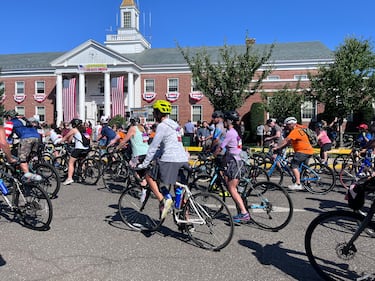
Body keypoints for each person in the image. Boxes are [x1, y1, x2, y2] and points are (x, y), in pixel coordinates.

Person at [137, 100, 188, 219]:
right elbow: (166, 146)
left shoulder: (162, 126)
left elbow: (153, 147)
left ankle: (164, 200)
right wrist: (155, 156)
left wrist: (144, 163)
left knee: (150, 176)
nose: (154, 115)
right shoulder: (175, 125)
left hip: (170, 160)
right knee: (180, 191)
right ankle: (187, 221)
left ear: (159, 113)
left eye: (154, 112)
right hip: (183, 159)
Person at [214, 110, 249, 223]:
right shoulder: (235, 132)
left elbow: (220, 148)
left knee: (232, 189)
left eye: (225, 120)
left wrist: (212, 156)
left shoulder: (230, 133)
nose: (223, 122)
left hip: (235, 163)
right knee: (229, 183)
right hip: (233, 162)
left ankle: (244, 213)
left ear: (228, 121)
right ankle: (241, 208)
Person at [273, 117, 314, 191]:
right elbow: (288, 142)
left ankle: (298, 184)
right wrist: (281, 147)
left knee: (294, 165)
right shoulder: (299, 129)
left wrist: (277, 147)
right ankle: (308, 184)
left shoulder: (295, 131)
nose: (287, 126)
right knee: (304, 168)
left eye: (288, 125)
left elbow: (286, 140)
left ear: (292, 124)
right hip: (308, 150)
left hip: (303, 151)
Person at [5, 110, 42, 181]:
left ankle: (28, 178)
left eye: (7, 117)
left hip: (26, 138)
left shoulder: (10, 122)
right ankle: (29, 170)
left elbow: (6, 135)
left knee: (22, 159)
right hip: (37, 137)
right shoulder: (23, 119)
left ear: (9, 117)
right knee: (28, 157)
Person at [60, 118, 90, 185]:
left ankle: (69, 178)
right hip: (86, 148)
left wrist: (59, 141)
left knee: (71, 163)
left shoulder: (74, 130)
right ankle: (81, 176)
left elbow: (66, 137)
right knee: (81, 162)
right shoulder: (83, 130)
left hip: (79, 148)